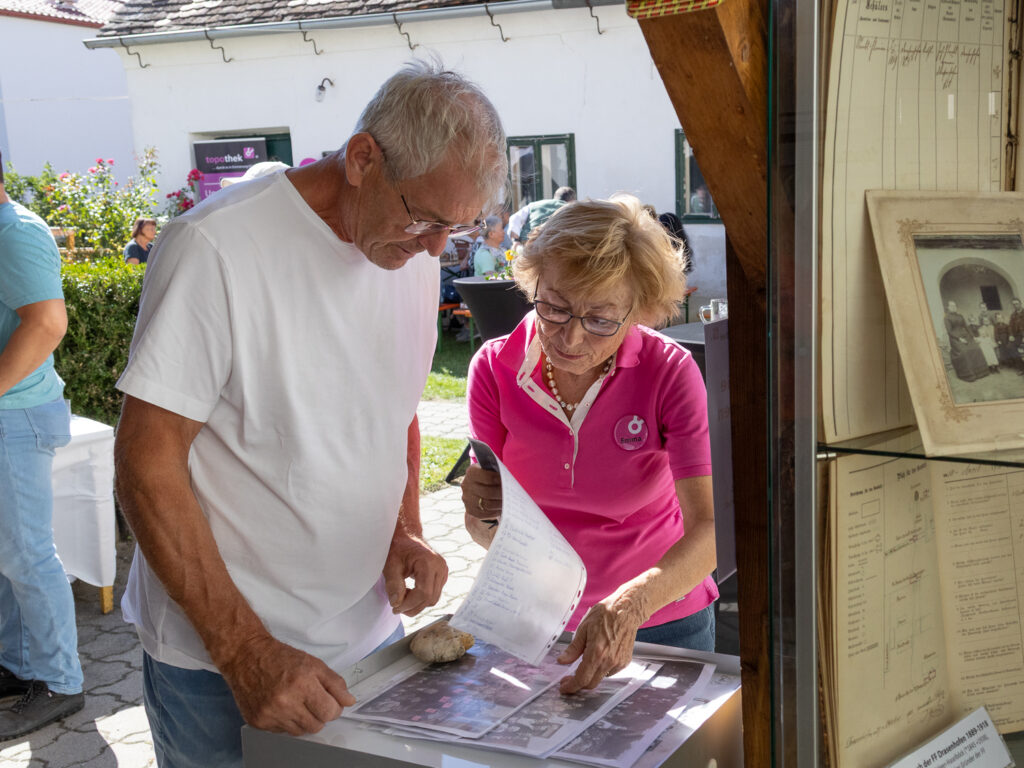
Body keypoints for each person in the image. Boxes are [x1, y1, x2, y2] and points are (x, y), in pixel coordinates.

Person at [112, 61, 507, 767]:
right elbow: (147, 460)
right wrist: (244, 650)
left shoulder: (410, 254)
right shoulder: (217, 248)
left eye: (459, 228)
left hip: (370, 643)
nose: (438, 251)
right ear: (363, 159)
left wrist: (403, 531)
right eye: (425, 218)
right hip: (223, 665)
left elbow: (394, 412)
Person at [460, 194, 718, 696]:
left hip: (661, 619)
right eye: (554, 308)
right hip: (537, 621)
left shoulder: (669, 373)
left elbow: (709, 528)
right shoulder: (494, 369)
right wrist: (483, 515)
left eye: (601, 320)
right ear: (533, 284)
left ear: (639, 311)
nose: (572, 339)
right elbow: (485, 527)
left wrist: (631, 605)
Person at [0, 150, 84, 739]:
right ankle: (20, 667)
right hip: (12, 413)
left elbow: (48, 324)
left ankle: (61, 683)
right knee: (9, 556)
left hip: (15, 416)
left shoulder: (16, 232)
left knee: (27, 555)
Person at [507, 186, 576, 244]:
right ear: (572, 201)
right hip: (552, 245)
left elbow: (514, 218)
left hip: (529, 242)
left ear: (555, 197)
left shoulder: (533, 205)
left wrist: (515, 241)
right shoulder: (569, 208)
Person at [944, 300, 989, 382]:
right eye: (951, 306)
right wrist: (959, 338)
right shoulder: (947, 318)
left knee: (976, 348)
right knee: (964, 351)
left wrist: (972, 336)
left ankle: (981, 373)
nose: (954, 307)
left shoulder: (960, 316)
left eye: (955, 306)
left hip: (966, 335)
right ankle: (969, 375)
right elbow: (949, 331)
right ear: (948, 307)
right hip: (955, 338)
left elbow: (966, 327)